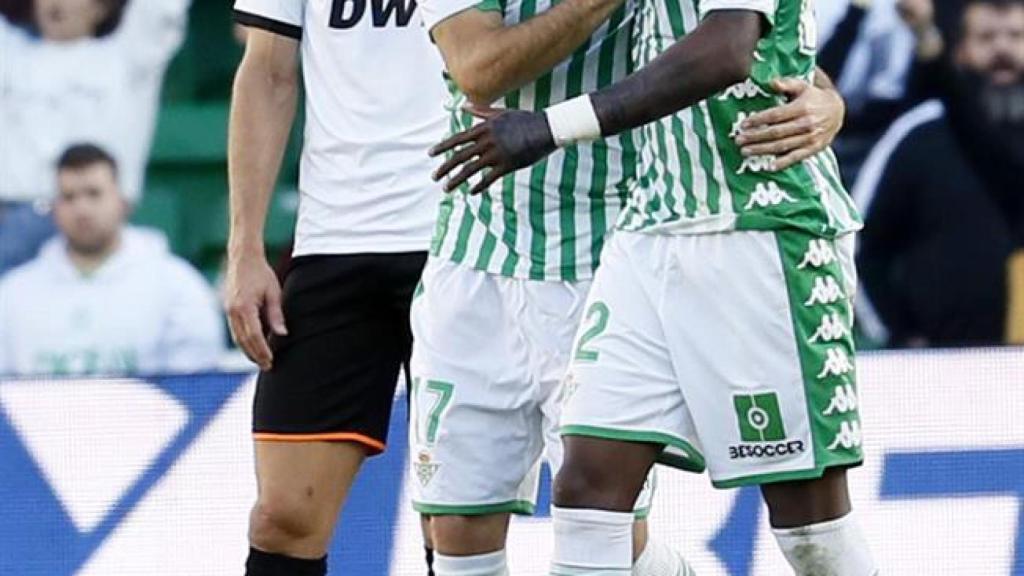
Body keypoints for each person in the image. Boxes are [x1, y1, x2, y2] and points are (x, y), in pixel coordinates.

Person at [432, 0, 877, 574]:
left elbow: (726, 48)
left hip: (760, 228)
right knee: (588, 494)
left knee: (811, 531)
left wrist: (550, 127)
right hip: (648, 227)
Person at [224, 1, 448, 575]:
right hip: (334, 240)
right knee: (282, 519)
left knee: (456, 522)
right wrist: (245, 248)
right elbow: (268, 69)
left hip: (466, 241)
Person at [855, 0, 1024, 347]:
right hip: (940, 369)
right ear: (960, 50)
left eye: (1016, 35)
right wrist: (901, 336)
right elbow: (862, 245)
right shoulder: (919, 135)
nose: (1003, 48)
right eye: (987, 37)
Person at [0, 0, 191, 275]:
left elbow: (160, 7)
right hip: (16, 225)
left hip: (102, 224)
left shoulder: (129, 56)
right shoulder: (10, 57)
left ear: (101, 7)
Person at [0, 144, 224, 376]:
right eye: (69, 197)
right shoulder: (12, 294)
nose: (82, 209)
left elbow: (197, 384)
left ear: (122, 201)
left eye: (93, 194)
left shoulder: (177, 285)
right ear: (54, 208)